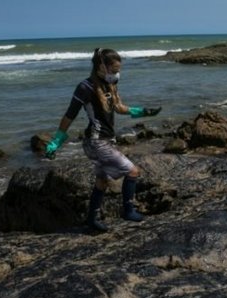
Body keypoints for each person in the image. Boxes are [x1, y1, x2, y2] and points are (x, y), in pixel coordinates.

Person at [45, 48, 161, 232]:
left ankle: (91, 220)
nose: (117, 74)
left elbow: (119, 108)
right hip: (96, 142)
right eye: (114, 70)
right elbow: (69, 115)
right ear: (101, 66)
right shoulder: (85, 87)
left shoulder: (110, 84)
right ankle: (128, 211)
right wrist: (56, 141)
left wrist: (143, 111)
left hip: (106, 140)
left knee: (102, 181)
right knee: (133, 172)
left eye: (118, 70)